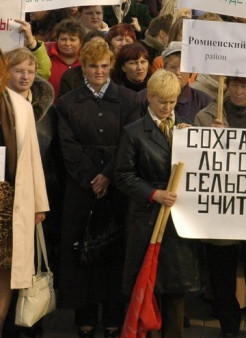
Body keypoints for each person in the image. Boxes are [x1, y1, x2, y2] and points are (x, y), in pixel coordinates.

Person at [57, 39, 141, 338]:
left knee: (115, 253)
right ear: (83, 66)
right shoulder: (67, 103)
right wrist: (91, 178)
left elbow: (129, 142)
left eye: (104, 66)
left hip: (118, 186)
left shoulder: (129, 100)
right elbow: (67, 146)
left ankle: (114, 316)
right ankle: (86, 316)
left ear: (111, 65)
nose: (99, 71)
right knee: (82, 251)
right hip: (81, 188)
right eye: (93, 66)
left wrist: (107, 176)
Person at [115, 70, 201, 338]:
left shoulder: (187, 128)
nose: (167, 107)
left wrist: (199, 140)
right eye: (162, 101)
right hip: (147, 218)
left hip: (179, 220)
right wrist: (153, 193)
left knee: (176, 288)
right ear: (149, 97)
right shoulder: (133, 132)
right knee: (147, 285)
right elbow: (122, 175)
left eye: (172, 102)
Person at [193, 74, 246, 338]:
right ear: (227, 87)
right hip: (222, 209)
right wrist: (210, 139)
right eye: (235, 85)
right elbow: (195, 158)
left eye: (245, 85)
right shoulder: (206, 116)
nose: (239, 91)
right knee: (222, 271)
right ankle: (228, 325)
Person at [0, 49, 49, 331]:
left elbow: (32, 159)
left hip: (10, 201)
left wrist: (39, 205)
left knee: (7, 268)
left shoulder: (21, 106)